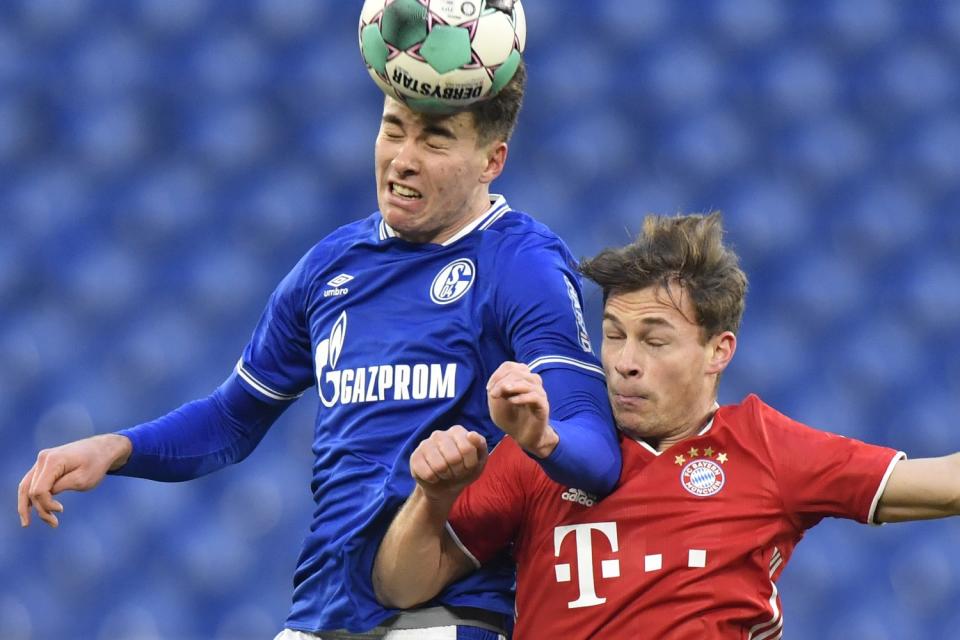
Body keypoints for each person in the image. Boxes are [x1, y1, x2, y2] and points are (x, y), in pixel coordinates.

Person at [16, 64, 622, 640]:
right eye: (392, 129)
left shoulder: (522, 263)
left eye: (435, 141)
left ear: (492, 160)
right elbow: (233, 418)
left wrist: (542, 440)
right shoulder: (331, 266)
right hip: (320, 615)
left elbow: (597, 451)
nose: (403, 160)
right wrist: (118, 447)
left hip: (440, 617)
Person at [373, 212, 960, 639]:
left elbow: (946, 485)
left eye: (655, 340)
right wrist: (433, 495)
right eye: (613, 334)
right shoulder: (542, 445)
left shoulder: (765, 448)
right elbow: (400, 587)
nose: (626, 360)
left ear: (718, 350)